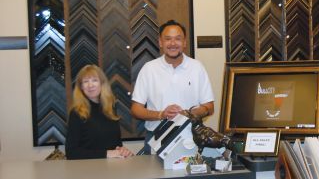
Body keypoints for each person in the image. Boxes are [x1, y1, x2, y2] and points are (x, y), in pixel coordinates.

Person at [131, 20, 215, 154]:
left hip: (191, 137)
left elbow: (209, 108)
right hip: (156, 137)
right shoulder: (149, 69)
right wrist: (161, 114)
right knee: (153, 174)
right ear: (160, 42)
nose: (173, 43)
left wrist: (187, 114)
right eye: (168, 39)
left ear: (185, 42)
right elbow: (136, 109)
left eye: (178, 39)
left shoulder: (197, 67)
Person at [65, 65, 134, 159]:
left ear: (102, 84)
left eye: (94, 80)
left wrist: (121, 150)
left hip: (112, 168)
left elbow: (116, 143)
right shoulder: (76, 113)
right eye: (86, 81)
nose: (90, 85)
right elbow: (71, 153)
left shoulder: (111, 108)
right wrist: (106, 154)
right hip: (87, 170)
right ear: (81, 87)